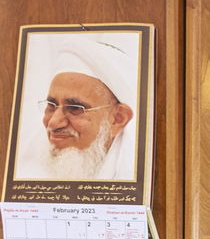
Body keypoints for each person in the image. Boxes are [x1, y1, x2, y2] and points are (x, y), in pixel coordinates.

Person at [18, 36, 139, 181]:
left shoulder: (133, 178)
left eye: (74, 108)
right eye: (51, 105)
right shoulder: (25, 171)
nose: (53, 123)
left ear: (117, 119)